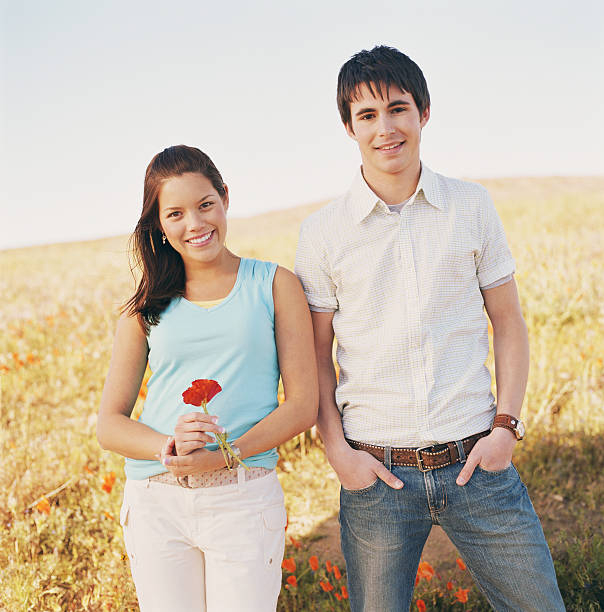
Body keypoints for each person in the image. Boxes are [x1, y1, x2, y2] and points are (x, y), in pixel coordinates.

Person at [295, 46, 565, 611]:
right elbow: (316, 358)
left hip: (478, 463)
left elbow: (509, 324)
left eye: (398, 108)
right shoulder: (323, 233)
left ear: (423, 113)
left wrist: (507, 428)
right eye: (367, 115)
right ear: (348, 127)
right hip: (377, 475)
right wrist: (338, 453)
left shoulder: (470, 206)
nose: (386, 127)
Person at [97, 145, 318, 612]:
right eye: (174, 213)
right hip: (157, 500)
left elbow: (302, 406)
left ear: (225, 199)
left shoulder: (275, 285)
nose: (195, 224)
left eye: (205, 205)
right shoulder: (144, 310)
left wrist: (223, 457)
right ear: (159, 224)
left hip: (243, 497)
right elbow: (110, 424)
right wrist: (168, 448)